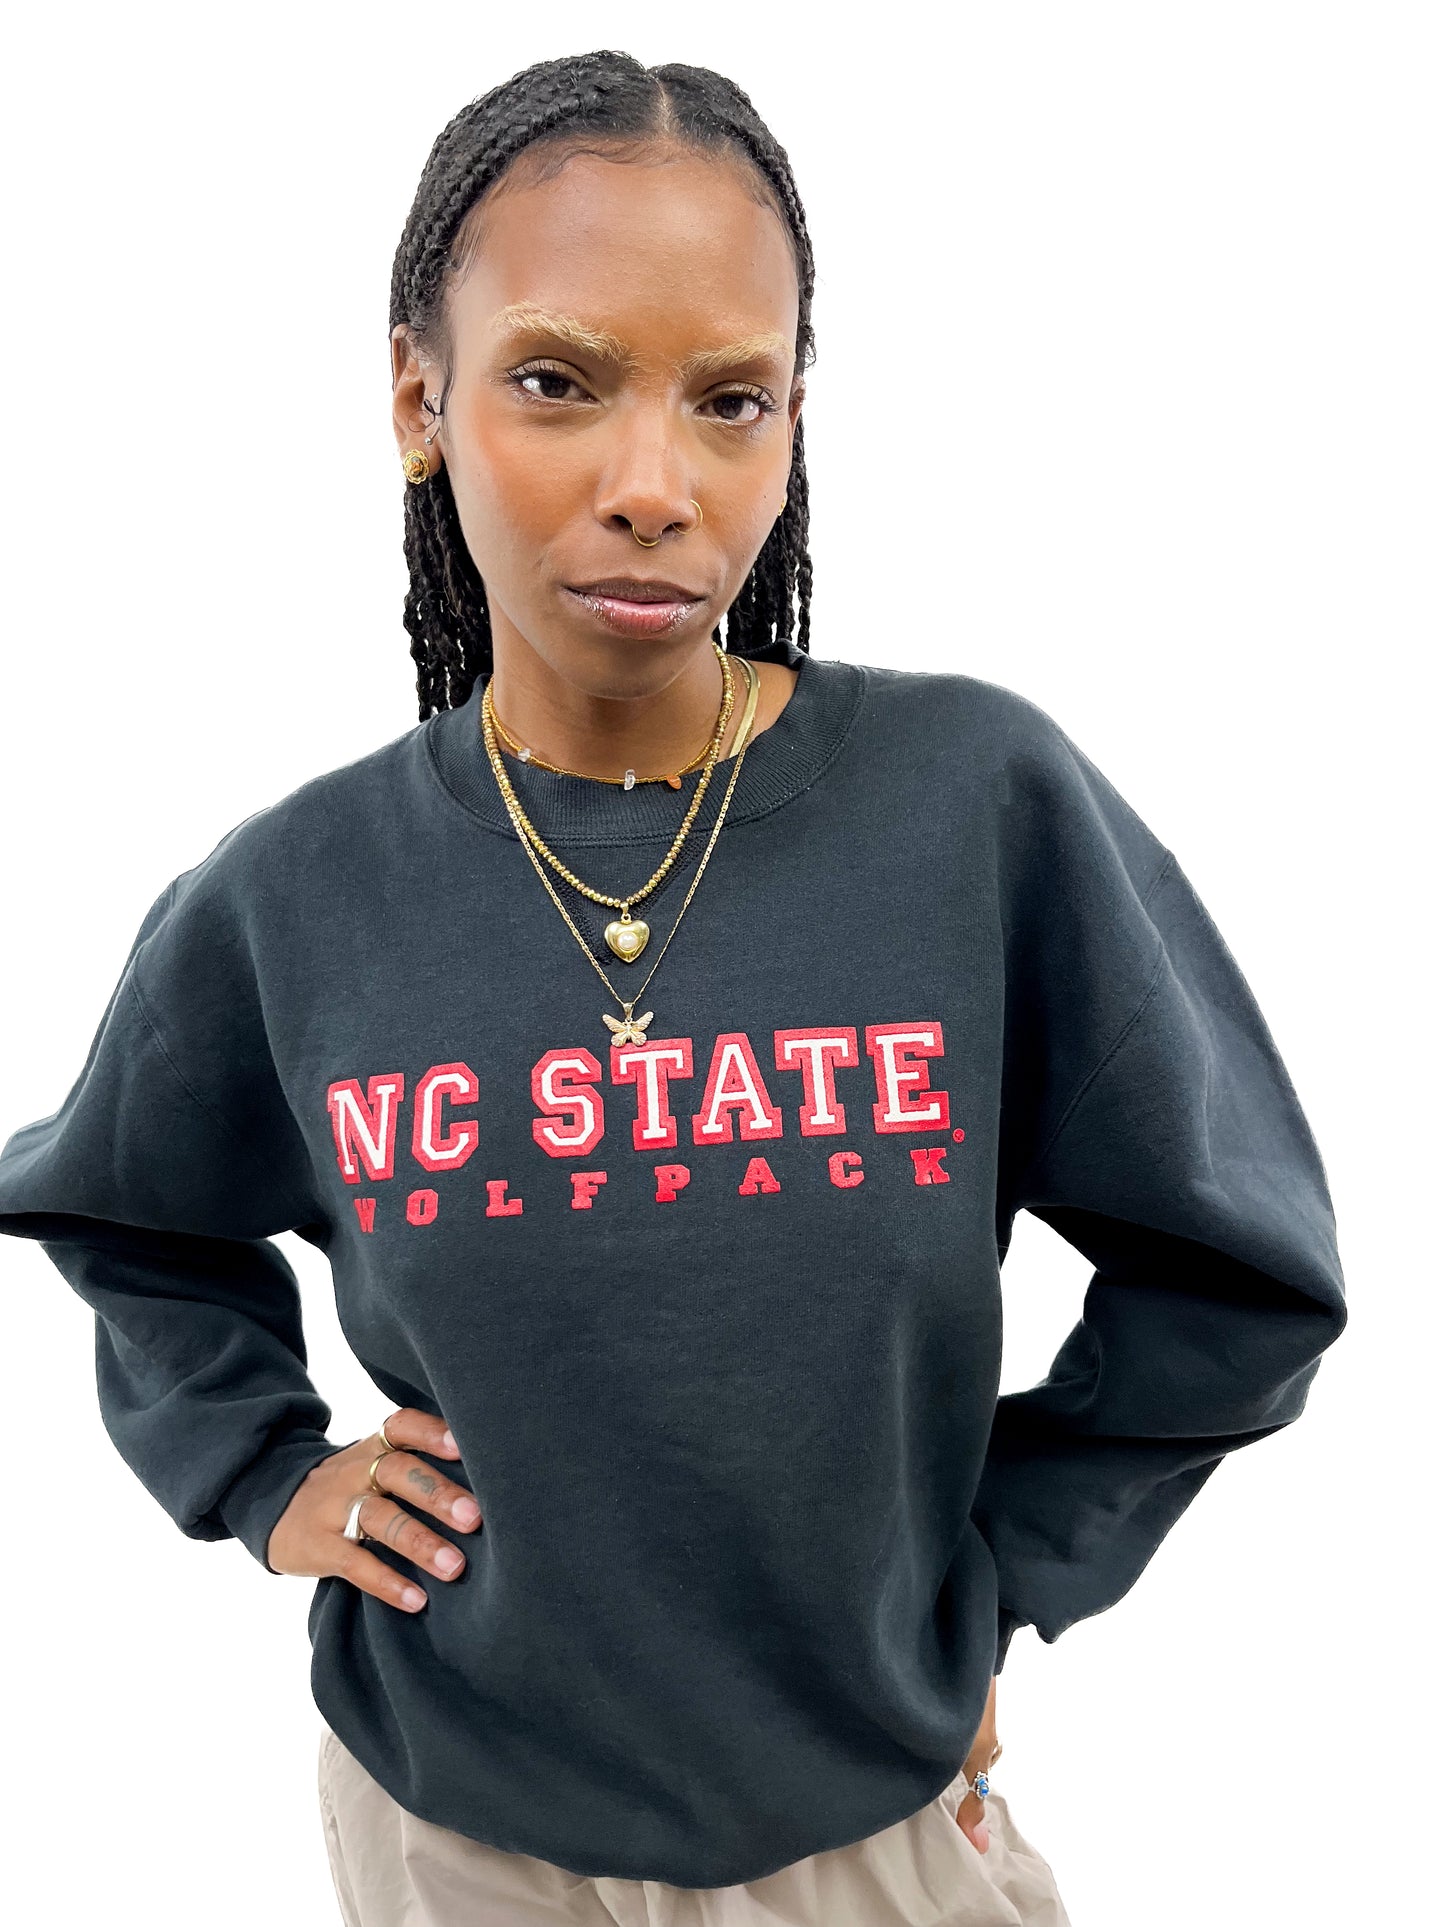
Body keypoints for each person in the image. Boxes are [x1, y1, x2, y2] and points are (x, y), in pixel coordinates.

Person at [0, 48, 1348, 1927]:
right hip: (450, 1828)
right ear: (418, 397)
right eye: (557, 382)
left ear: (796, 420)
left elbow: (1240, 1269)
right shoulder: (298, 893)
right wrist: (259, 1467)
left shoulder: (976, 808)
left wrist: (997, 1580)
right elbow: (116, 1207)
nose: (654, 486)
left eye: (731, 400)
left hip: (867, 1824)